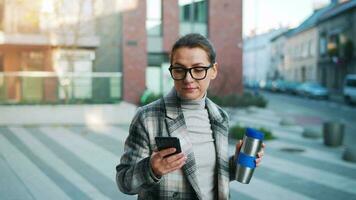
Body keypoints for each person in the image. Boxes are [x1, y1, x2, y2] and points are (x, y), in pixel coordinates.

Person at [116, 33, 265, 200]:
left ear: (213, 70)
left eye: (198, 69)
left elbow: (206, 176)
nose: (188, 78)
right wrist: (152, 168)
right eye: (179, 69)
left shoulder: (220, 116)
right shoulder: (148, 117)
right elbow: (124, 182)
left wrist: (235, 163)